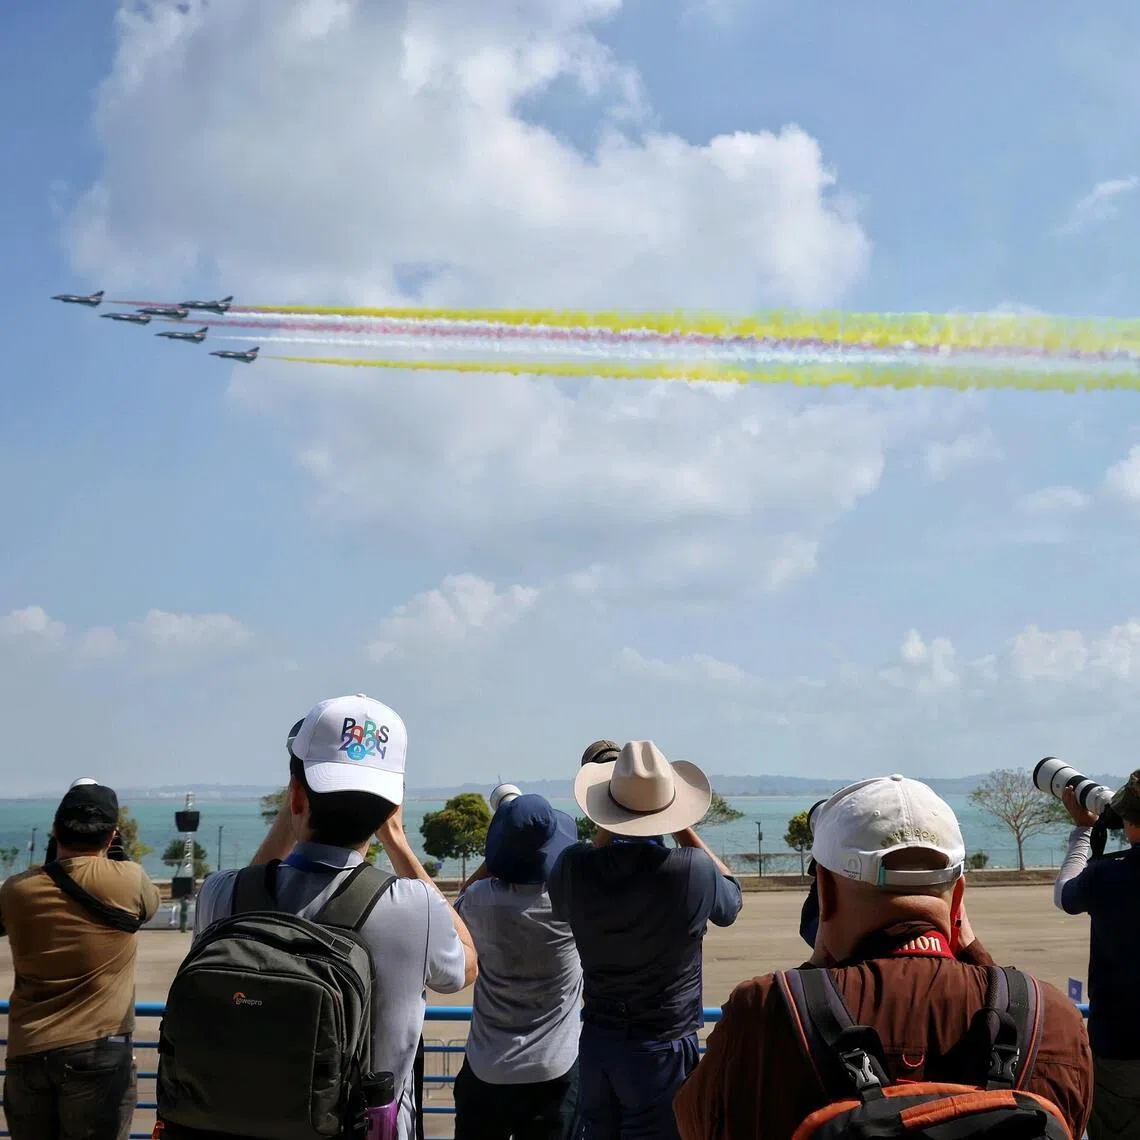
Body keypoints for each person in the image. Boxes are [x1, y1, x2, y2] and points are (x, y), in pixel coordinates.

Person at [674, 774, 1093, 1140]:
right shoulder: (1050, 1018)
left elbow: (696, 1124)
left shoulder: (765, 1014)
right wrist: (977, 956)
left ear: (825, 890)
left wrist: (815, 972)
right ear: (958, 898)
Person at [192, 693, 478, 1140]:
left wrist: (292, 813)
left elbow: (249, 889)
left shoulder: (220, 895)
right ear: (390, 807)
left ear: (297, 797)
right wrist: (397, 840)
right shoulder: (414, 908)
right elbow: (467, 963)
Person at [548, 740, 742, 1140]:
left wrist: (606, 824)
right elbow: (730, 903)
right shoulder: (691, 870)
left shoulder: (576, 867)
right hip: (662, 1046)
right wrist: (682, 827)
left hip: (598, 1041)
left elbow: (563, 897)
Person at [0, 779, 161, 1140]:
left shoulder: (16, 890)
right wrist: (116, 857)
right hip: (99, 1053)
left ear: (55, 830)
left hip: (28, 1054)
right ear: (111, 837)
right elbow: (148, 908)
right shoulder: (131, 880)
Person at [453, 792, 583, 1139]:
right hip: (555, 1069)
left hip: (487, 1068)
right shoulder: (572, 902)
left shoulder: (480, 903)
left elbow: (456, 910)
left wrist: (497, 854)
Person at [1054, 770, 1140, 1140]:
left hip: (1119, 1045)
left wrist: (1084, 831)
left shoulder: (1108, 876)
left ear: (1130, 822)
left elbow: (1065, 895)